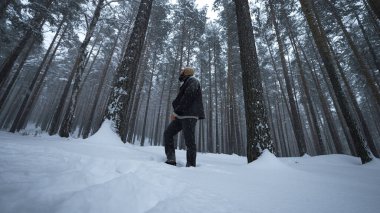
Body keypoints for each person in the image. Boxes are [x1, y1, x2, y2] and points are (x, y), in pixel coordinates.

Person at [164, 67, 205, 167]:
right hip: (181, 115)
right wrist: (177, 110)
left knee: (189, 140)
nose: (180, 73)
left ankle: (190, 165)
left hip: (190, 115)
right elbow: (183, 98)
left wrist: (176, 111)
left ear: (186, 73)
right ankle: (171, 158)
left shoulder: (193, 81)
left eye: (182, 72)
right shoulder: (186, 83)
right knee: (168, 133)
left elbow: (188, 97)